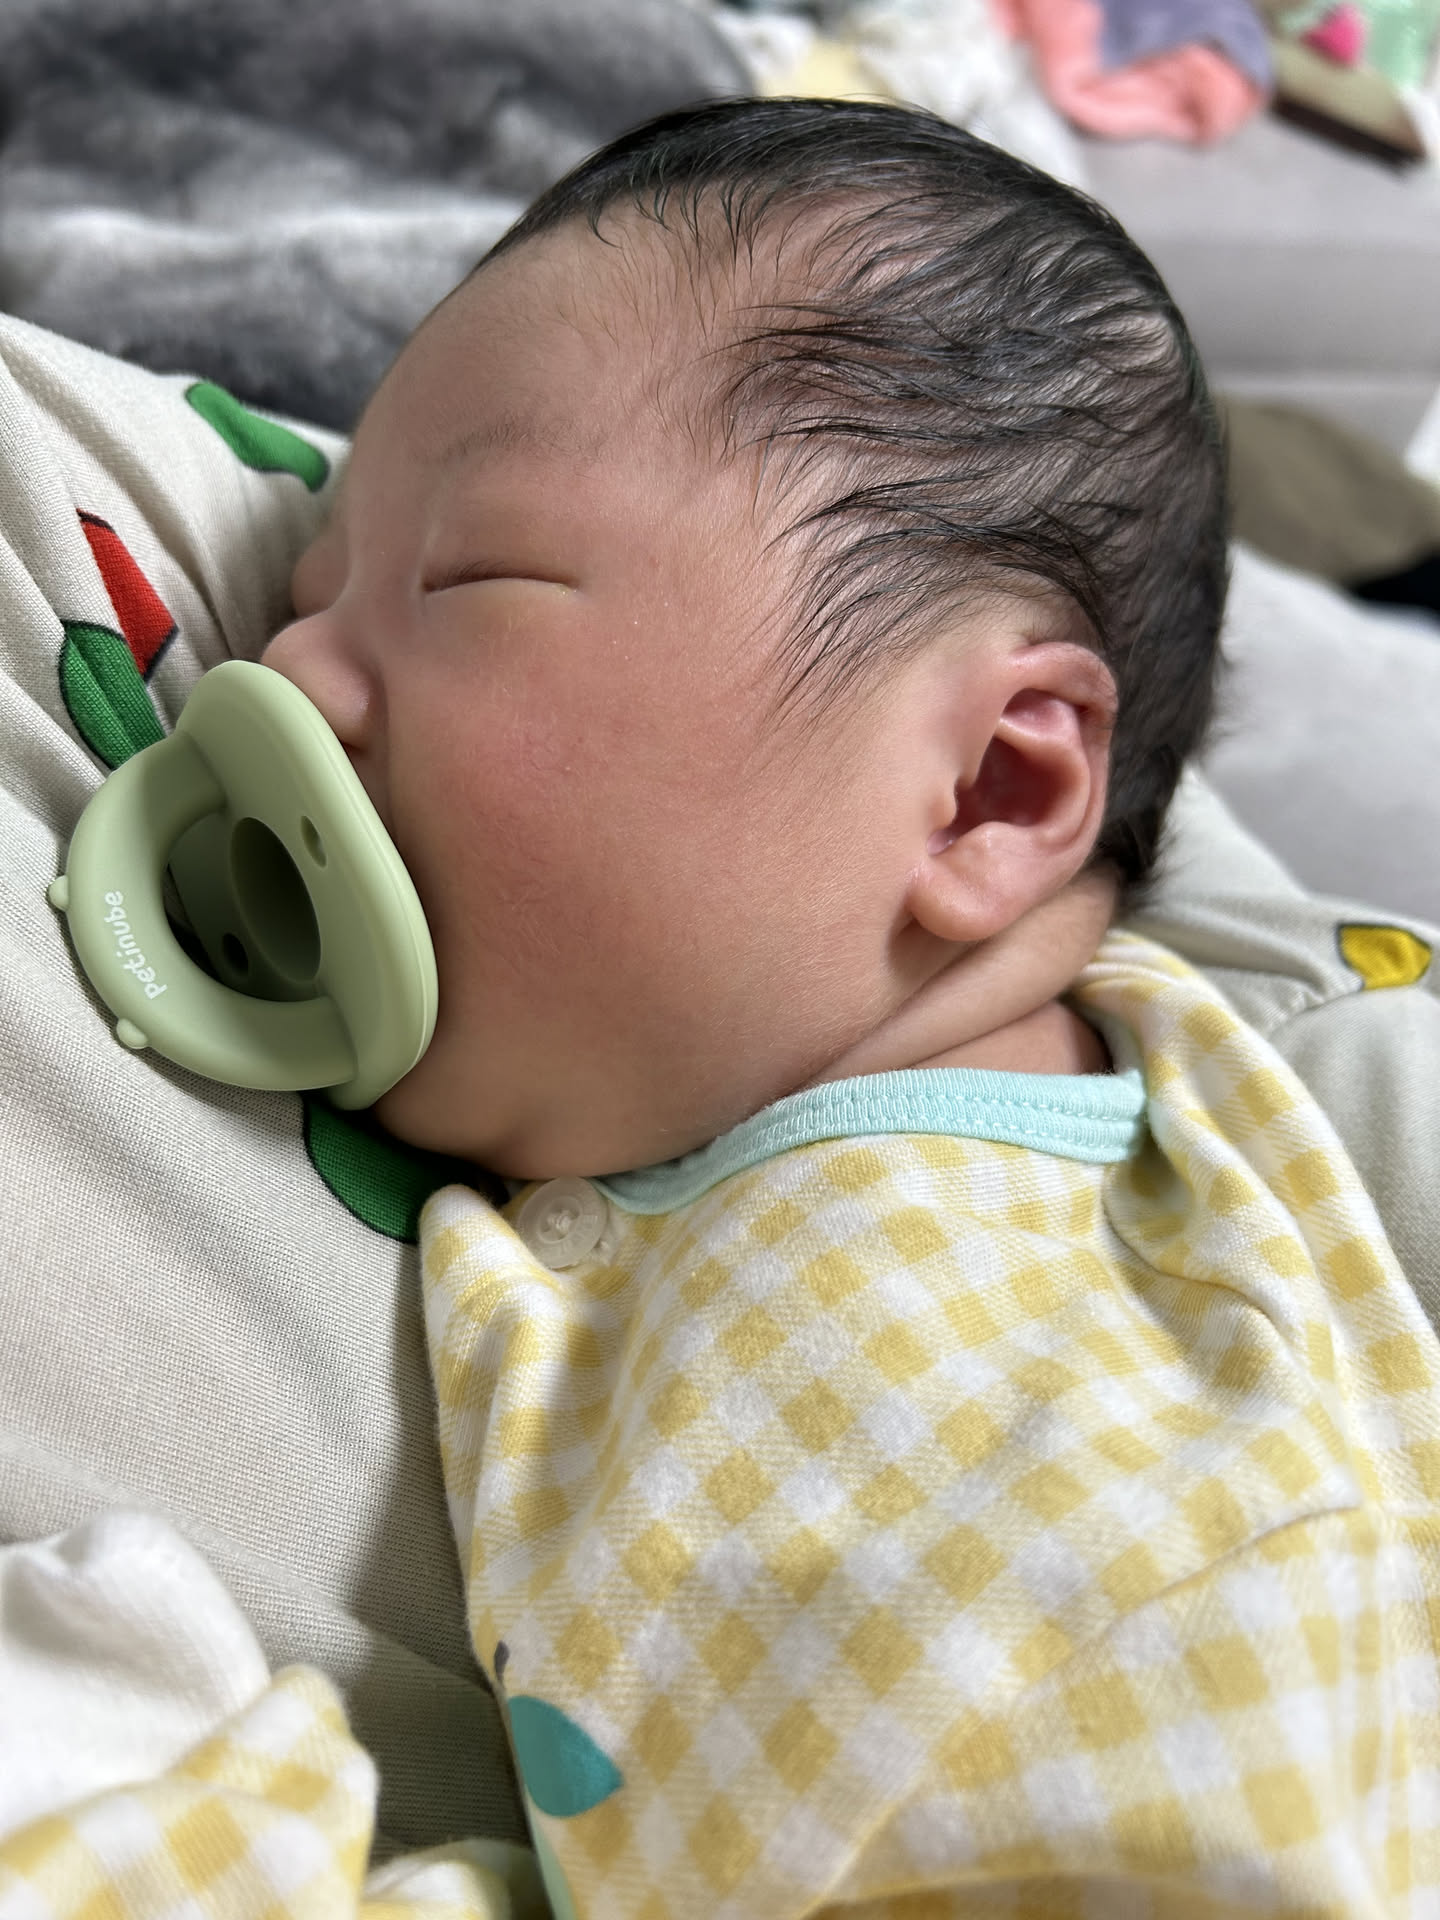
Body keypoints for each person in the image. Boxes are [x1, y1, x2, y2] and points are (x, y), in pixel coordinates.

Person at [5, 97, 1438, 1918]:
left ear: (989, 793)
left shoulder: (1142, 1306)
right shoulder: (641, 1179)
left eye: (473, 577)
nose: (284, 669)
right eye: (303, 593)